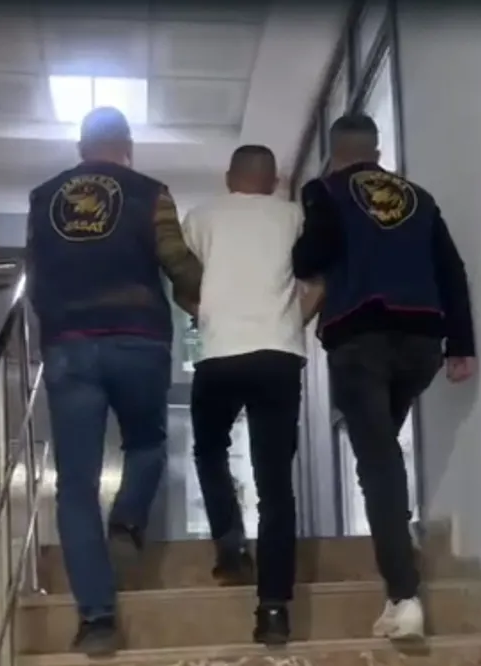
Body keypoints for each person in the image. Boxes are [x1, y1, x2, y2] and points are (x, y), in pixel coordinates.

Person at [291, 114, 477, 640]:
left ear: (334, 154)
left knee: (377, 462)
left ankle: (404, 595)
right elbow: (451, 269)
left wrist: (301, 251)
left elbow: (312, 257)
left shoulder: (326, 190)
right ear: (375, 151)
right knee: (381, 455)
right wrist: (461, 345)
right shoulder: (419, 198)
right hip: (421, 343)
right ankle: (399, 538)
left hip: (361, 338)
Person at [25, 107, 203, 656]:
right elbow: (176, 261)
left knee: (75, 485)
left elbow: (36, 272)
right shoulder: (150, 192)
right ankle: (127, 520)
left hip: (69, 345)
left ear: (81, 148)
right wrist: (203, 302)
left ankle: (98, 619)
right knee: (146, 443)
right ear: (127, 147)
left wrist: (55, 326)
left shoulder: (44, 197)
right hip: (138, 338)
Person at [182, 145, 321, 646]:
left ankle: (229, 543)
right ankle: (273, 610)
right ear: (275, 179)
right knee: (275, 483)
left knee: (209, 450)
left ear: (228, 177)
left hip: (220, 354)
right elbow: (320, 280)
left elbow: (180, 282)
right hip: (278, 356)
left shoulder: (199, 217)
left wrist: (205, 312)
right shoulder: (294, 217)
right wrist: (294, 322)